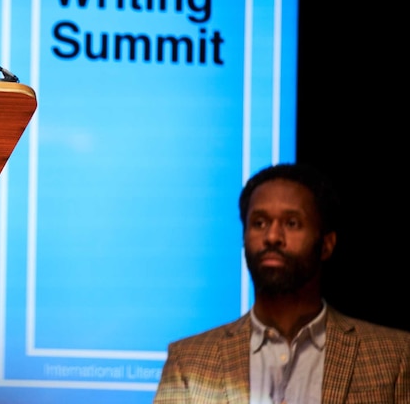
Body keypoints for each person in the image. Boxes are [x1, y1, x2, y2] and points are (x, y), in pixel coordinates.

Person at [153, 163, 410, 403]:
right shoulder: (188, 361)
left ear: (327, 244)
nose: (272, 236)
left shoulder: (395, 356)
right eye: (259, 223)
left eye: (292, 223)